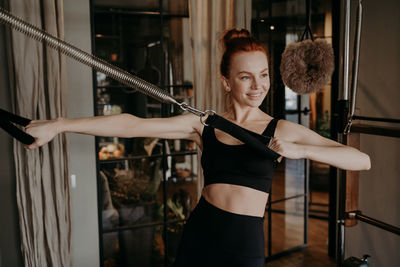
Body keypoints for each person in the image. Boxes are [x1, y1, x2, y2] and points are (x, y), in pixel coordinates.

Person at [24, 28, 371, 267]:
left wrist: (303, 151)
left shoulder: (279, 129)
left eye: (263, 75)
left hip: (244, 244)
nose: (257, 86)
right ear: (226, 80)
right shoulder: (203, 124)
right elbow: (132, 124)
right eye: (245, 76)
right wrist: (59, 125)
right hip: (201, 232)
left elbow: (360, 160)